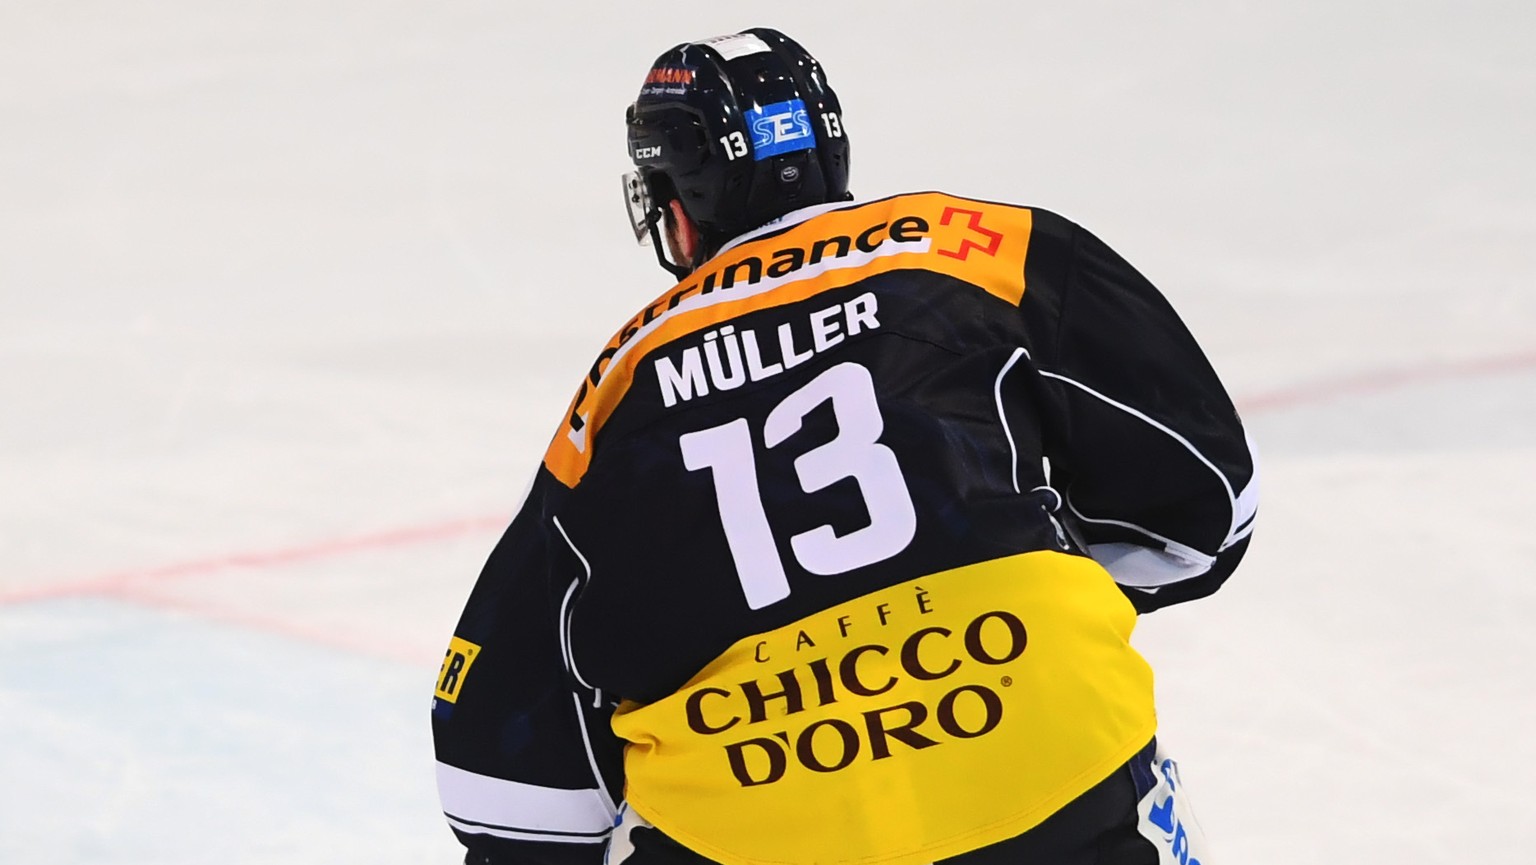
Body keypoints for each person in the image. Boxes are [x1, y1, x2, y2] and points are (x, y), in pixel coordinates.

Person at [432, 27, 1257, 865]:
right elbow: (1204, 510)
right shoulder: (985, 247)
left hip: (761, 832)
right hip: (1056, 784)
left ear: (676, 205)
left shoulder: (617, 388)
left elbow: (506, 783)